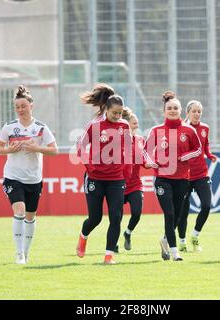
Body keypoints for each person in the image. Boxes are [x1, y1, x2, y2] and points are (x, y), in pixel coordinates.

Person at [0, 85, 58, 264]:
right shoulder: (9, 127)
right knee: (20, 210)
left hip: (34, 178)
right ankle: (19, 253)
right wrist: (8, 149)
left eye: (23, 106)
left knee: (30, 216)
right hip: (13, 177)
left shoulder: (40, 127)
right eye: (17, 107)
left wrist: (37, 148)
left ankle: (26, 251)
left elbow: (54, 150)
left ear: (31, 106)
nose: (20, 109)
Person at [76, 83, 132, 264]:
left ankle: (109, 255)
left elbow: (129, 150)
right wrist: (89, 166)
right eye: (114, 112)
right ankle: (83, 237)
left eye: (120, 113)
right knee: (95, 218)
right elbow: (81, 147)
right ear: (106, 109)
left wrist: (127, 171)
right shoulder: (94, 125)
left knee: (116, 217)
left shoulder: (124, 126)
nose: (117, 116)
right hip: (95, 178)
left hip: (116, 178)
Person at [144, 91, 202, 261]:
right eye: (169, 108)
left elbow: (198, 150)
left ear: (180, 110)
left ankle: (164, 240)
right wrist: (152, 162)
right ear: (164, 111)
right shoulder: (156, 130)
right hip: (162, 178)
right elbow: (146, 151)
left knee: (176, 215)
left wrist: (185, 156)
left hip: (183, 179)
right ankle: (175, 252)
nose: (172, 110)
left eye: (175, 108)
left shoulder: (189, 130)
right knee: (169, 214)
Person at [177, 100, 217, 252]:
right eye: (194, 111)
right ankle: (181, 241)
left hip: (201, 173)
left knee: (206, 205)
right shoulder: (182, 129)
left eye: (199, 111)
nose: (197, 114)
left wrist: (209, 154)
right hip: (184, 175)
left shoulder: (205, 128)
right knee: (183, 212)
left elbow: (205, 145)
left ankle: (195, 235)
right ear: (187, 113)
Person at [117, 107, 145, 251]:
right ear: (127, 124)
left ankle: (128, 233)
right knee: (117, 217)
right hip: (119, 184)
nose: (137, 126)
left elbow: (145, 158)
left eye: (137, 123)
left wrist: (151, 162)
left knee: (137, 212)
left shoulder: (140, 140)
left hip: (135, 184)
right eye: (134, 123)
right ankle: (113, 243)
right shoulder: (118, 140)